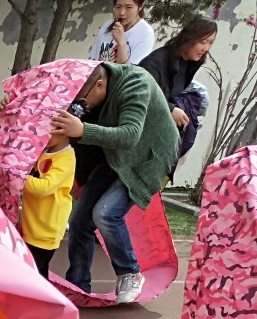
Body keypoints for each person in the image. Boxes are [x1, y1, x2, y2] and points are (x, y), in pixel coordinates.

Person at [51, 63, 180, 302]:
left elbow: (130, 135)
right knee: (79, 221)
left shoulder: (136, 83)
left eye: (83, 101)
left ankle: (130, 273)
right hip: (114, 156)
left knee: (105, 213)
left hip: (147, 158)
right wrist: (12, 104)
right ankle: (77, 285)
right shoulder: (91, 89)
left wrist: (82, 129)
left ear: (100, 84)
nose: (80, 106)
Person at [139, 17, 218, 159]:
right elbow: (139, 93)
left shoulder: (189, 62)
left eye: (210, 43)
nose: (206, 48)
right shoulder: (157, 61)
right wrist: (170, 109)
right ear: (189, 38)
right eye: (202, 42)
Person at [21, 130, 76, 277]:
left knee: (35, 272)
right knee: (34, 269)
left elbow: (44, 188)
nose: (43, 135)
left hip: (47, 228)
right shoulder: (43, 150)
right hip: (32, 224)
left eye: (48, 131)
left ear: (65, 131)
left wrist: (19, 176)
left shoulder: (65, 158)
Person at [88, 0, 155, 65]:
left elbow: (131, 70)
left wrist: (121, 43)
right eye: (118, 7)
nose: (122, 13)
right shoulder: (107, 25)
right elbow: (93, 60)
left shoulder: (145, 32)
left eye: (129, 7)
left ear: (140, 7)